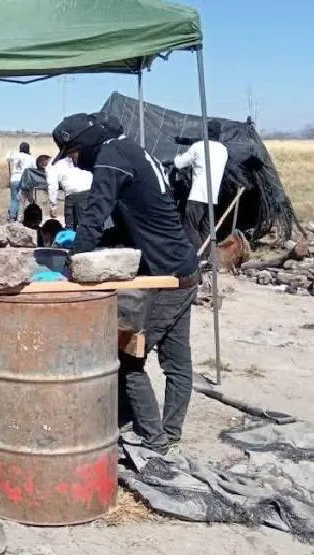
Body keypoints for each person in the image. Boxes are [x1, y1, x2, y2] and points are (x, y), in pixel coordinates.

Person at [52, 113, 200, 455]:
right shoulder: (131, 151)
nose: (74, 162)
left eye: (73, 154)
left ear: (85, 144)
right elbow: (130, 219)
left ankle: (151, 439)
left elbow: (94, 211)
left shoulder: (110, 158)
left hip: (167, 277)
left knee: (129, 360)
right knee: (176, 363)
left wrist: (74, 261)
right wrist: (99, 241)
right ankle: (169, 433)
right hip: (183, 267)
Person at [173, 120, 228, 252]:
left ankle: (199, 255)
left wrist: (177, 156)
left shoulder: (198, 146)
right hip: (213, 197)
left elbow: (179, 164)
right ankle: (208, 259)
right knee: (207, 231)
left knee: (190, 227)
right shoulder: (223, 150)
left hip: (197, 195)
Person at [46, 155, 93, 228]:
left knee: (70, 227)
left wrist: (53, 206)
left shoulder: (54, 163)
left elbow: (52, 186)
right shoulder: (85, 156)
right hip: (88, 194)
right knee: (88, 226)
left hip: (71, 196)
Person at [6, 142, 37, 222]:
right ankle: (21, 218)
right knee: (22, 199)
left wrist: (10, 151)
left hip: (14, 179)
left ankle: (12, 217)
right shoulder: (31, 158)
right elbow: (35, 169)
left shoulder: (16, 155)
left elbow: (7, 158)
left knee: (14, 199)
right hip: (24, 180)